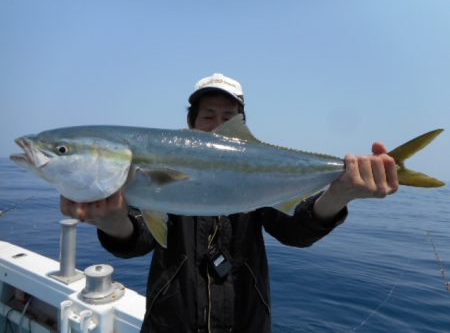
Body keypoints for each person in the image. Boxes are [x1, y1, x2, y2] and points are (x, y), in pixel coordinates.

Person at [61, 73, 399, 333]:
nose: (218, 126)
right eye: (208, 117)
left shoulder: (256, 178)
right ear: (190, 124)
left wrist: (338, 194)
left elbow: (296, 231)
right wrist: (112, 221)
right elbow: (138, 238)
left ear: (241, 128)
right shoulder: (156, 167)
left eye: (229, 118)